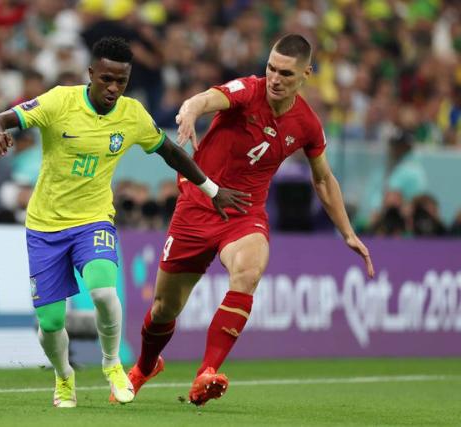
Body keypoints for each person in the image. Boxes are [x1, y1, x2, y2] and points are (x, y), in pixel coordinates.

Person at [0, 36, 248, 408]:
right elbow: (0, 118)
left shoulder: (132, 115)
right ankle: (64, 378)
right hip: (44, 226)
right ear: (90, 73)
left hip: (93, 220)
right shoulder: (60, 101)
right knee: (50, 322)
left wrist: (211, 188)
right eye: (106, 79)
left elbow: (170, 152)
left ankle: (112, 365)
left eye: (120, 82)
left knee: (105, 294)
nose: (112, 88)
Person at [127, 34, 376, 407]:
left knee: (248, 272)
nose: (275, 78)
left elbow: (323, 178)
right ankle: (145, 367)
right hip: (197, 207)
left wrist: (348, 232)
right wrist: (192, 111)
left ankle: (206, 373)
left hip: (244, 215)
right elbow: (208, 98)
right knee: (165, 308)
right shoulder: (249, 90)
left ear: (307, 73)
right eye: (271, 68)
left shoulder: (307, 123)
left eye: (286, 73)